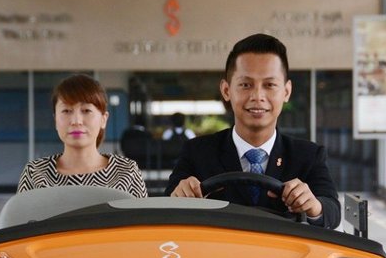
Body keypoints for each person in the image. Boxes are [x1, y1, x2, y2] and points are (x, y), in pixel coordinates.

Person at [166, 33, 341, 228]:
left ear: (286, 91)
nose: (258, 96)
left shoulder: (308, 155)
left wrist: (313, 206)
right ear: (226, 90)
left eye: (269, 85)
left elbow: (332, 211)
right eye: (245, 85)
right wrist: (178, 196)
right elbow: (166, 208)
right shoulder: (197, 152)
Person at [18, 74, 148, 198]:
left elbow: (145, 220)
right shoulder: (35, 173)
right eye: (66, 111)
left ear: (104, 119)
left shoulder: (126, 171)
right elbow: (19, 220)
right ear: (55, 120)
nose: (76, 121)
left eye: (86, 111)